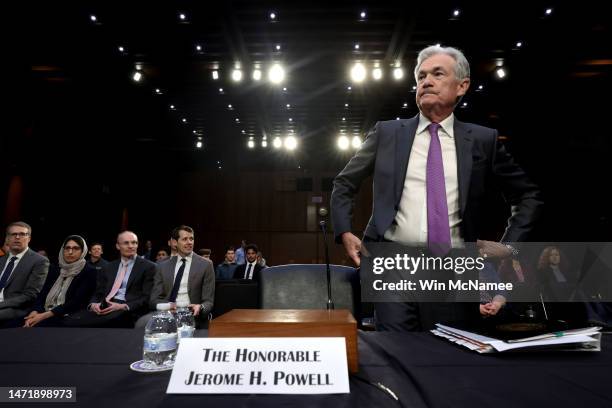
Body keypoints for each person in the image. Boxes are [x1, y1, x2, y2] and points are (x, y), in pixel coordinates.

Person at [331, 45, 543, 331]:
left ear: (462, 86)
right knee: (396, 353)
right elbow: (345, 182)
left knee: (446, 356)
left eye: (437, 74)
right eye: (421, 76)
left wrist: (508, 246)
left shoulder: (483, 140)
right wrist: (344, 231)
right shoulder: (387, 133)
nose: (426, 81)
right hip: (393, 263)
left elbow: (528, 195)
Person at [64, 231, 156, 327]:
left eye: (134, 243)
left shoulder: (149, 267)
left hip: (126, 308)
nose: (131, 246)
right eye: (126, 243)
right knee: (70, 320)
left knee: (95, 323)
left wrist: (123, 306)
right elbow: (98, 292)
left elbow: (147, 297)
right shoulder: (109, 267)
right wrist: (93, 304)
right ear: (117, 246)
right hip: (104, 305)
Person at [136, 226, 214, 328]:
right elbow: (154, 300)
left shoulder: (206, 265)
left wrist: (200, 307)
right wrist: (168, 307)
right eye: (185, 239)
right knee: (141, 323)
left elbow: (208, 302)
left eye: (191, 239)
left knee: (178, 325)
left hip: (191, 313)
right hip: (167, 312)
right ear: (175, 242)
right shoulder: (162, 266)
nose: (189, 242)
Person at [22, 235, 96, 327]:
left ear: (83, 251)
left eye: (76, 248)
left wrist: (43, 316)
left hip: (66, 315)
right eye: (67, 248)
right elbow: (43, 293)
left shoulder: (89, 271)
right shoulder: (55, 268)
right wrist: (35, 311)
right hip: (44, 311)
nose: (70, 252)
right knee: (13, 325)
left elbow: (77, 302)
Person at [0, 222, 50, 324]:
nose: (17, 237)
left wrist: (1, 304)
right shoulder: (1, 260)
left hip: (16, 308)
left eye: (22, 234)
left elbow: (30, 295)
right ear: (7, 239)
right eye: (13, 234)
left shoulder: (39, 261)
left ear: (29, 239)